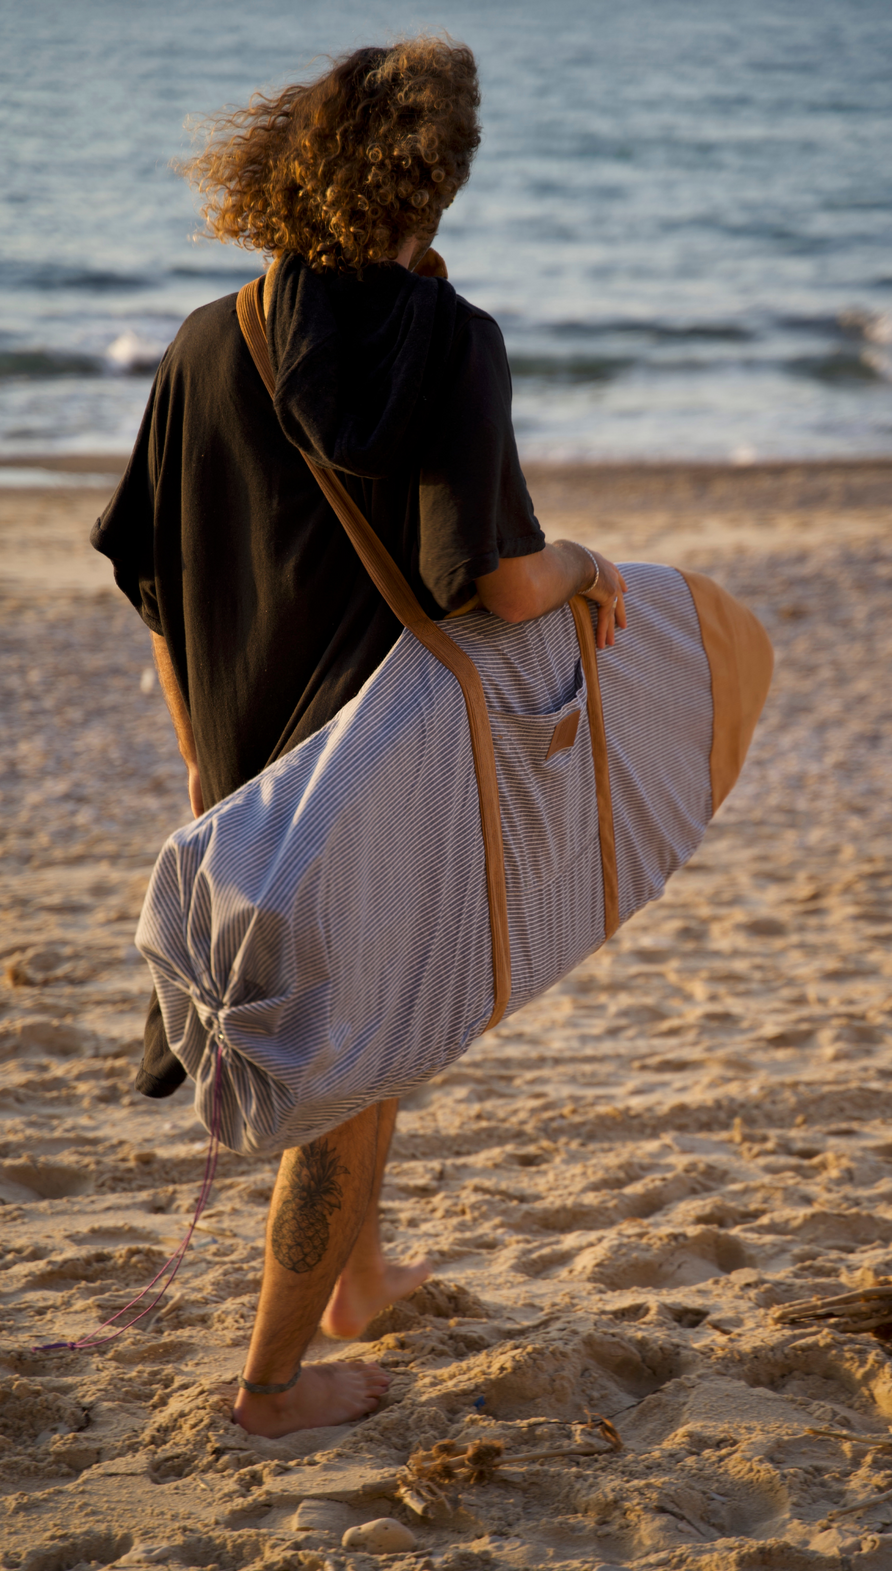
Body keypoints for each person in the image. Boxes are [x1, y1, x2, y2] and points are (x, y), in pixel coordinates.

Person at [92, 38, 627, 1439]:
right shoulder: (453, 343)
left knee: (372, 1051)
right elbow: (499, 581)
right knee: (350, 1076)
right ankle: (269, 1387)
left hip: (241, 767)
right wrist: (583, 560)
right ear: (441, 181)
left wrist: (209, 757)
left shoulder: (217, 338)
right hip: (374, 771)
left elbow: (154, 577)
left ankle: (364, 1278)